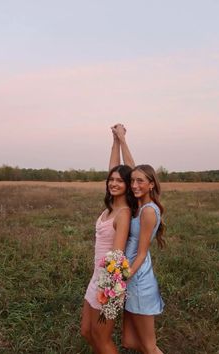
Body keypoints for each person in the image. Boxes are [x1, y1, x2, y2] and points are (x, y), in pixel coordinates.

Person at [80, 126, 135, 354]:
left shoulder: (123, 213)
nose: (113, 183)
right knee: (86, 331)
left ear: (129, 185)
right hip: (96, 277)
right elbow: (115, 169)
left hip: (110, 284)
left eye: (120, 181)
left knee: (102, 339)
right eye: (111, 180)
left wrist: (123, 140)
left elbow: (117, 257)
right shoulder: (111, 207)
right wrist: (113, 141)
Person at [111, 124, 165, 354]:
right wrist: (120, 140)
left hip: (138, 279)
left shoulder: (148, 211)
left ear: (152, 183)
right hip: (130, 276)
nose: (134, 185)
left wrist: (120, 280)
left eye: (141, 182)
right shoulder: (138, 203)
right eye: (132, 181)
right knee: (130, 342)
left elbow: (141, 253)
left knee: (149, 346)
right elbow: (134, 171)